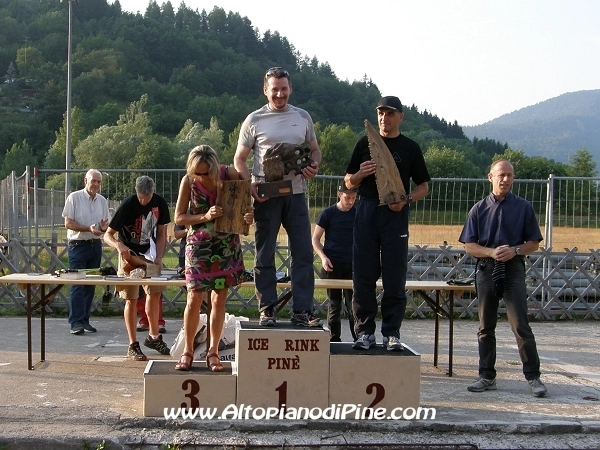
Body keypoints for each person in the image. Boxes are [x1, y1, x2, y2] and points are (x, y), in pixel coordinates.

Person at [234, 66, 322, 327]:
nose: (280, 94)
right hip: (266, 196)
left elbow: (315, 151)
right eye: (275, 89)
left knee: (303, 253)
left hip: (296, 194)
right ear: (265, 90)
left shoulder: (302, 116)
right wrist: (249, 184)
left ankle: (302, 311)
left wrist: (314, 166)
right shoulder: (254, 119)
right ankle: (268, 310)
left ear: (290, 88)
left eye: (284, 89)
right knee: (264, 254)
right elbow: (239, 159)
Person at [344, 96, 430, 351]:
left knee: (394, 275)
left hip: (395, 212)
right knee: (363, 275)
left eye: (390, 113)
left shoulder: (410, 147)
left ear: (400, 116)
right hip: (367, 209)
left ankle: (391, 333)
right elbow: (347, 182)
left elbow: (423, 186)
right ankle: (364, 332)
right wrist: (360, 174)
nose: (384, 118)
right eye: (381, 113)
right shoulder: (364, 143)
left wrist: (406, 199)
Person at [458, 160, 547, 397]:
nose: (506, 179)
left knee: (520, 324)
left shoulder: (524, 207)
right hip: (486, 269)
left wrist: (515, 250)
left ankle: (533, 377)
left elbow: (534, 243)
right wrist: (490, 252)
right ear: (491, 177)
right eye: (501, 175)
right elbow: (469, 245)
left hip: (513, 268)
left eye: (510, 175)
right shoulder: (478, 209)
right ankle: (486, 376)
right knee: (485, 326)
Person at [173, 145, 253, 371]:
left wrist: (249, 215)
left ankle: (213, 352)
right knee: (194, 299)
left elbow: (245, 204)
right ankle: (188, 351)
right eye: (198, 173)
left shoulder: (230, 175)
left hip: (226, 246)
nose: (203, 177)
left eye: (207, 172)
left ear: (216, 166)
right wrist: (205, 216)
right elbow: (179, 218)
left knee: (219, 300)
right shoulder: (188, 181)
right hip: (198, 247)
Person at [104, 176, 171, 361]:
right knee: (131, 298)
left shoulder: (160, 203)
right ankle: (133, 344)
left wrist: (159, 256)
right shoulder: (128, 205)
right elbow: (108, 235)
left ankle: (154, 336)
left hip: (149, 253)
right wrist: (119, 245)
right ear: (136, 193)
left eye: (147, 198)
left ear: (152, 193)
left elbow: (162, 232)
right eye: (141, 198)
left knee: (155, 293)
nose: (143, 201)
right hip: (129, 255)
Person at [62, 169, 110, 335]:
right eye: (93, 181)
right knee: (77, 283)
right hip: (78, 245)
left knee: (90, 284)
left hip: (95, 245)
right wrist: (88, 228)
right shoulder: (74, 197)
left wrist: (103, 228)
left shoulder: (102, 201)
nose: (96, 184)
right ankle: (75, 322)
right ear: (85, 180)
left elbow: (105, 224)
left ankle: (84, 320)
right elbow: (68, 223)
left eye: (99, 182)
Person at [312, 184, 358, 342]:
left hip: (352, 264)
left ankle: (358, 338)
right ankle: (334, 339)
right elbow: (315, 239)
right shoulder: (328, 213)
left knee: (353, 305)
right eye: (347, 198)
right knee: (334, 305)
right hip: (332, 264)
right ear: (339, 194)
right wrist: (323, 257)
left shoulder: (358, 213)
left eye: (353, 198)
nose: (350, 201)